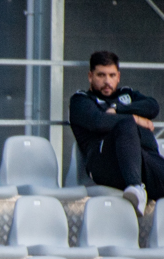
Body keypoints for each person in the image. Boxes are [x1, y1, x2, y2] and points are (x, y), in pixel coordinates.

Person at [69, 50, 163, 217]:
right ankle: (136, 188)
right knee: (125, 125)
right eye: (101, 75)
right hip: (104, 164)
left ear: (118, 77)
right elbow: (98, 121)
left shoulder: (126, 95)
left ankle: (139, 187)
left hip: (140, 159)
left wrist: (118, 109)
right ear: (90, 76)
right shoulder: (81, 100)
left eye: (112, 75)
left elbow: (152, 106)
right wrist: (136, 118)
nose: (107, 81)